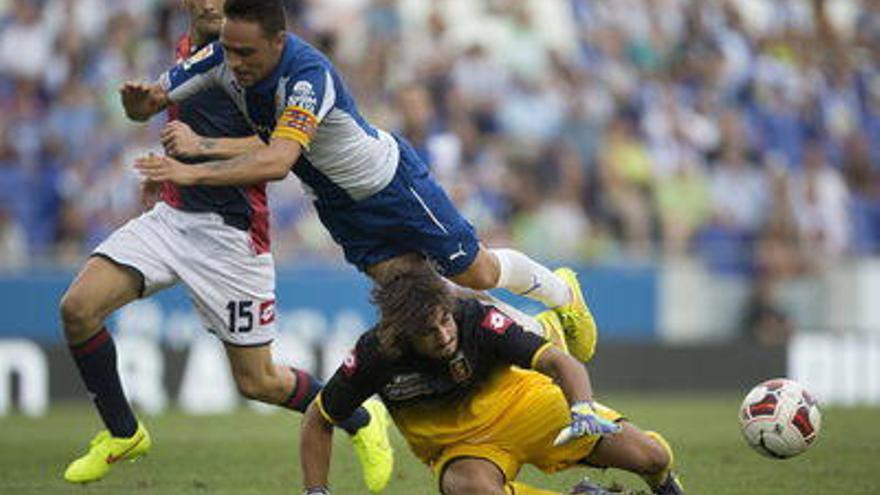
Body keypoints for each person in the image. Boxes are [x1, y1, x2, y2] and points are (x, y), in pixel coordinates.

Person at [122, 0, 598, 364]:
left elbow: (277, 161)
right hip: (339, 207)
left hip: (392, 187)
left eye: (246, 53)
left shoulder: (308, 77)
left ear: (278, 43)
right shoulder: (220, 59)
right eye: (229, 50)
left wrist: (191, 168)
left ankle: (561, 293)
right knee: (422, 299)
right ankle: (538, 334)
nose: (236, 63)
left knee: (475, 272)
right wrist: (139, 102)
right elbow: (152, 100)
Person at [59, 1, 393, 491]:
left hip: (231, 232)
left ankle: (360, 419)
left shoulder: (251, 62)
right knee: (77, 309)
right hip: (172, 218)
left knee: (259, 382)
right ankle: (123, 434)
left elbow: (281, 149)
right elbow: (164, 120)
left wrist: (198, 152)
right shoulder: (186, 53)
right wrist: (163, 159)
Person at [300, 264, 685, 495]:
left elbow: (559, 362)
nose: (445, 335)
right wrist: (316, 491)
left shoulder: (476, 319)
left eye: (445, 321)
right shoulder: (375, 355)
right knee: (469, 489)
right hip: (463, 448)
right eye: (429, 333)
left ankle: (665, 485)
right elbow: (319, 419)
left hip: (531, 409)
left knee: (652, 456)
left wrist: (581, 408)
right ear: (404, 334)